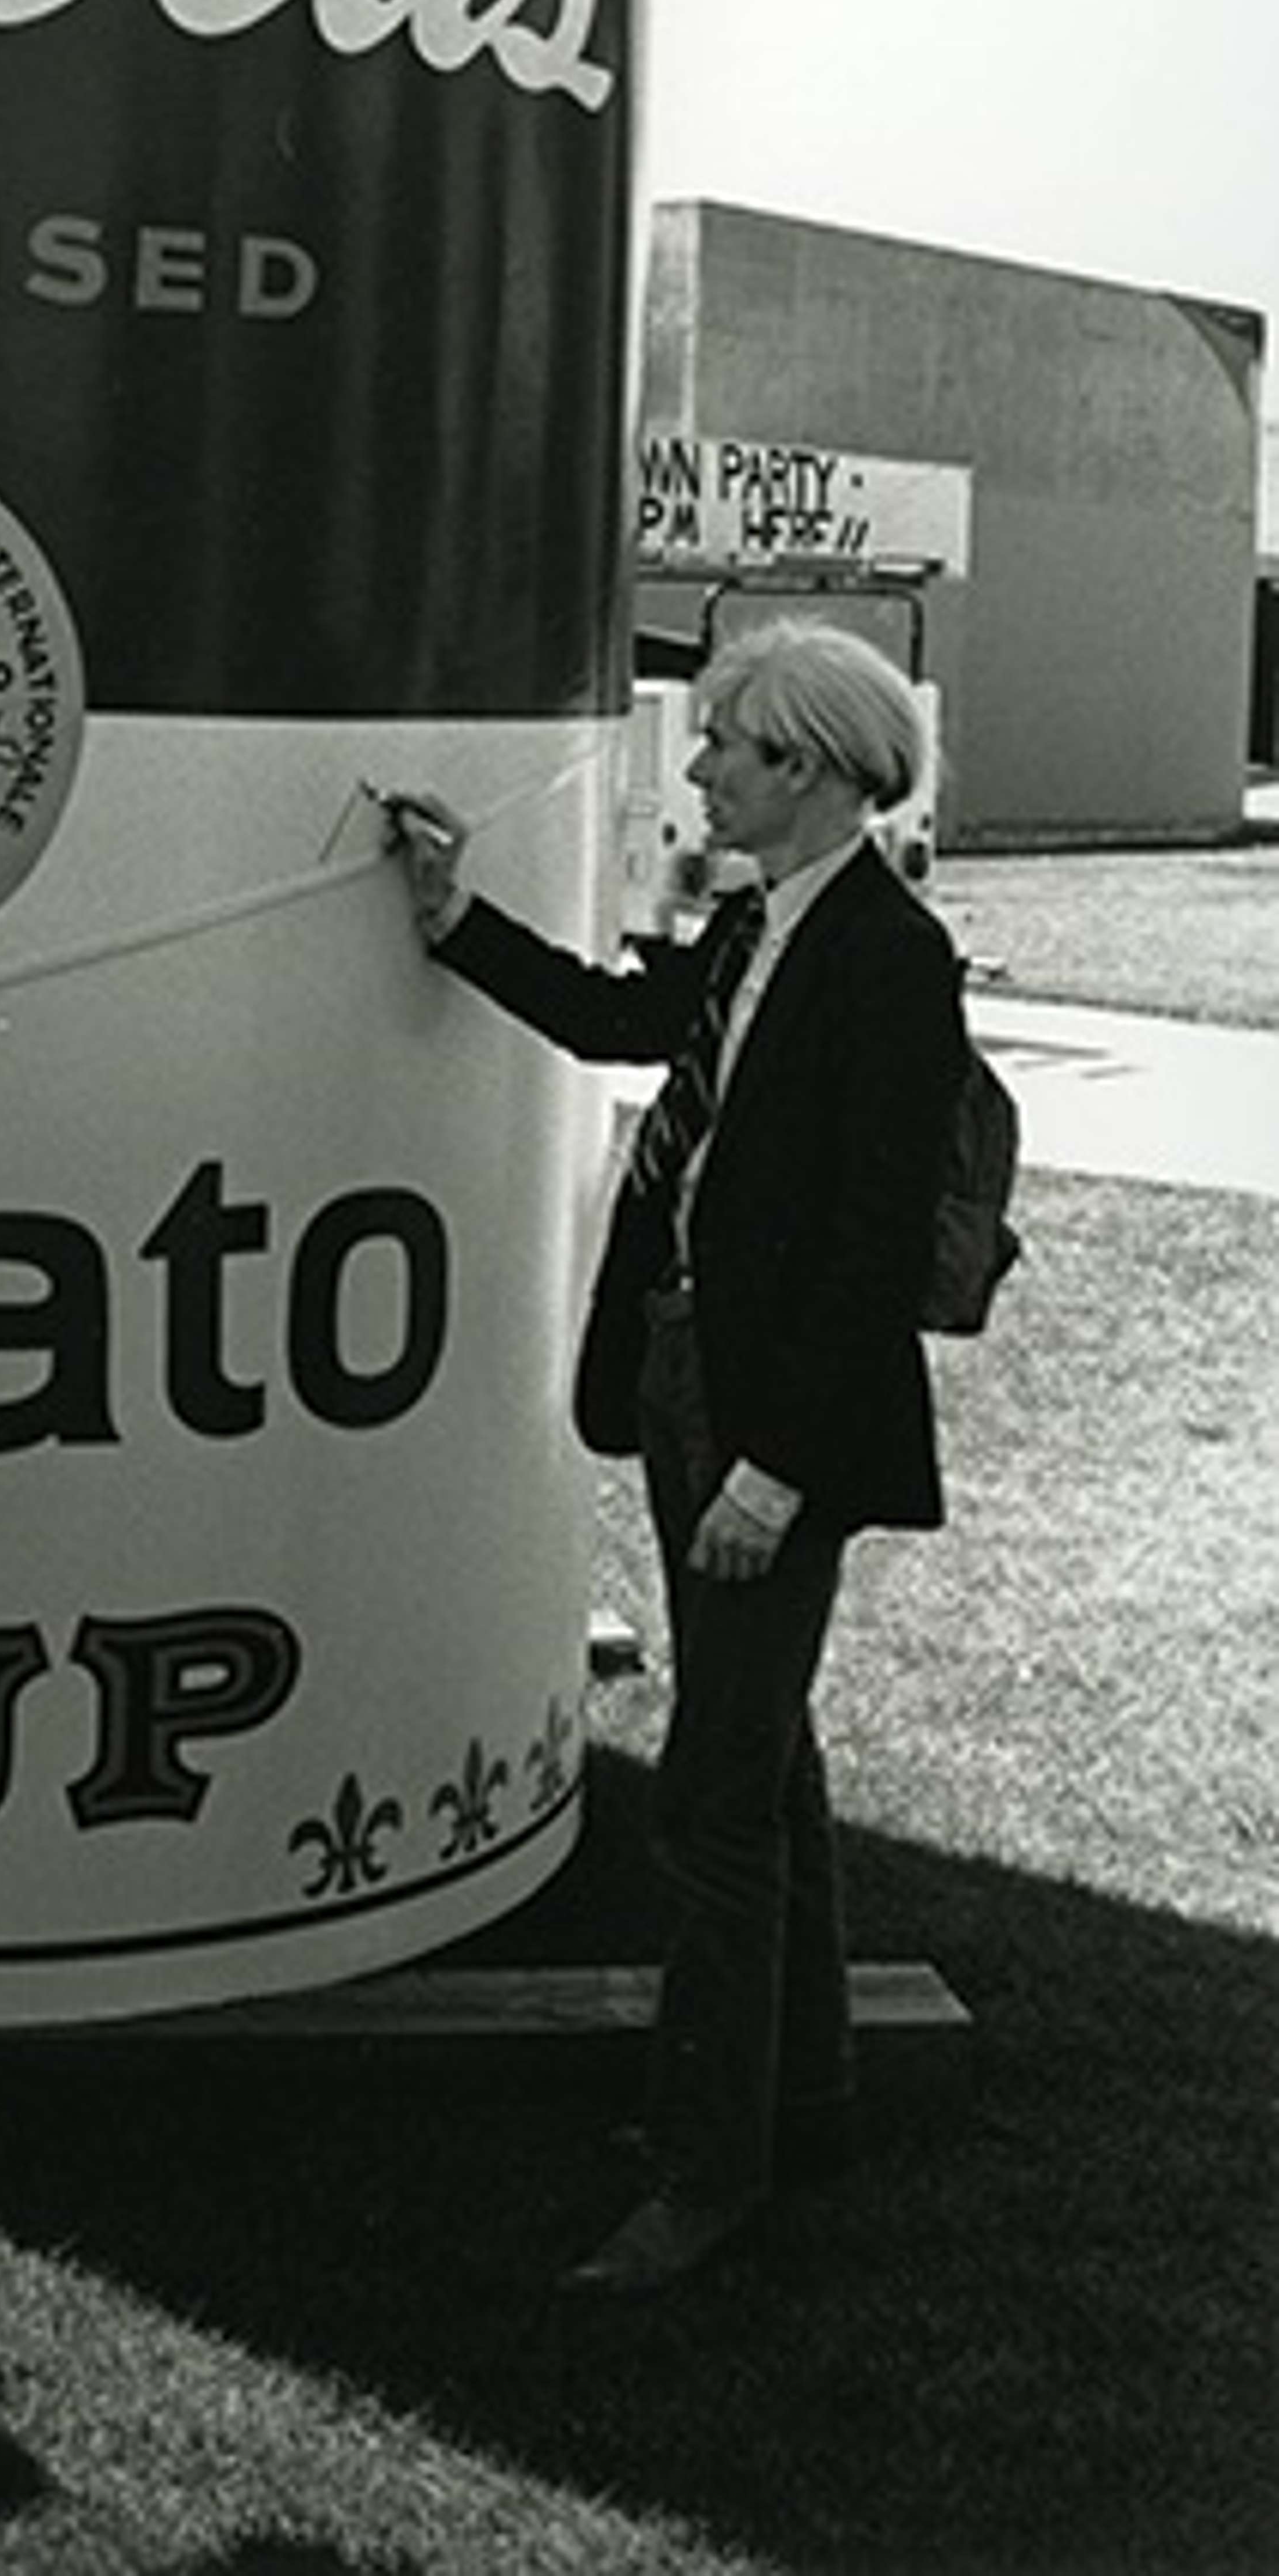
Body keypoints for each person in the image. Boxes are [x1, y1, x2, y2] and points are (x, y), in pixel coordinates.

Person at [385, 618, 966, 2296]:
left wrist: (775, 1467)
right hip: (680, 1372)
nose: (698, 766)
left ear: (809, 769)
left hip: (768, 1416)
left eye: (725, 745)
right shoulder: (752, 923)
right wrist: (451, 918)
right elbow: (615, 1017)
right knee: (761, 1754)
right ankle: (812, 2096)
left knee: (714, 1801)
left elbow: (869, 1254)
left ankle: (709, 2170)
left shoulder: (888, 957)